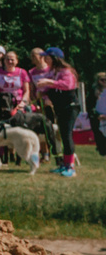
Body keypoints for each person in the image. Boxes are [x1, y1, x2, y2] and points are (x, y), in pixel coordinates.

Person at [32, 47, 81, 176]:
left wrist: (49, 82)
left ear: (54, 58)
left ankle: (70, 167)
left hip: (70, 107)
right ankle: (64, 164)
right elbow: (48, 87)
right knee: (63, 135)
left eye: (47, 57)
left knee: (66, 134)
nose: (44, 59)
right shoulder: (52, 72)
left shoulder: (66, 71)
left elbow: (67, 85)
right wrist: (41, 92)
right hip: (60, 108)